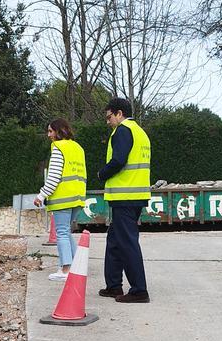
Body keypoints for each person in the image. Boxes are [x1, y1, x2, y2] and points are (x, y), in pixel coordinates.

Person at [96, 97, 151, 303]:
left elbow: (118, 160)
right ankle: (114, 286)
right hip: (134, 196)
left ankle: (139, 291)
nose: (108, 121)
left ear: (119, 114)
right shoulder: (140, 132)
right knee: (115, 242)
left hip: (125, 196)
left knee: (127, 243)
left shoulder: (123, 131)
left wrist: (102, 173)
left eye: (109, 117)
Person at [33, 118, 87, 281]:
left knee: (62, 232)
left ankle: (65, 270)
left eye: (51, 131)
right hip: (77, 197)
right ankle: (78, 265)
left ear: (59, 131)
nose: (48, 135)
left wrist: (42, 195)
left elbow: (54, 176)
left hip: (62, 198)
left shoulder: (58, 147)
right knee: (66, 231)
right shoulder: (78, 148)